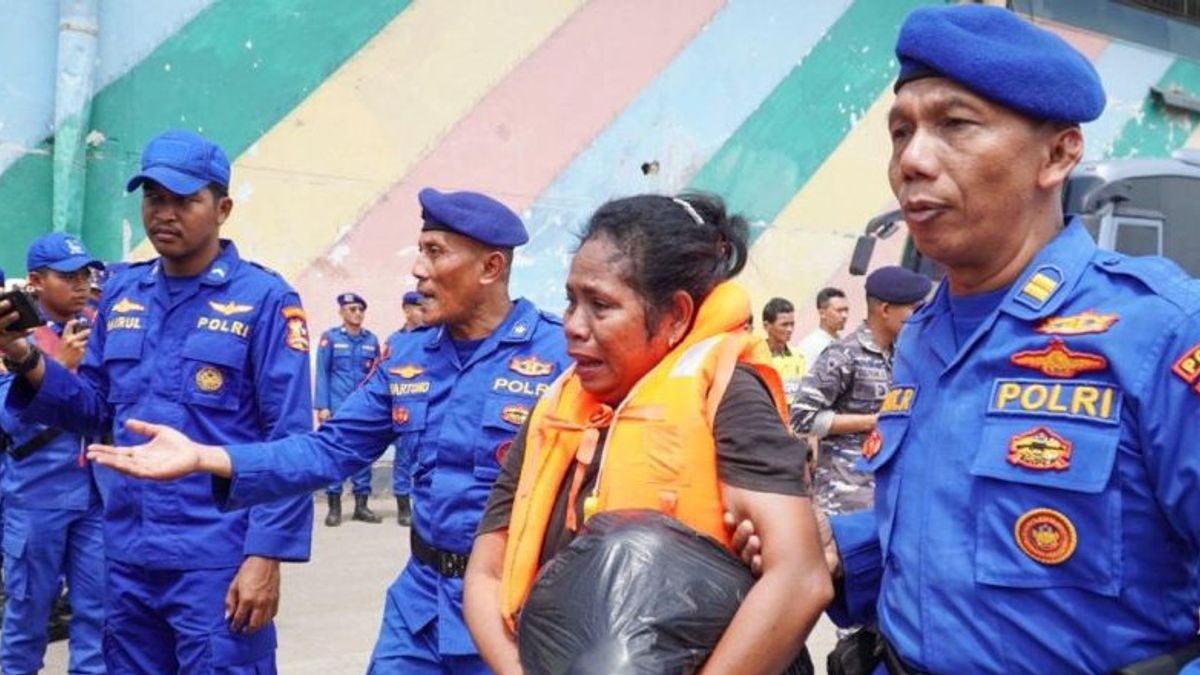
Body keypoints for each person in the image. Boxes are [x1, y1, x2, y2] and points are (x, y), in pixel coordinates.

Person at [810, 6, 1200, 672]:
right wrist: (843, 547)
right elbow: (956, 524)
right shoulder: (923, 334)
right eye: (900, 131)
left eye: (954, 125)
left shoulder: (1159, 328)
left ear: (1056, 155)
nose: (912, 160)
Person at [85, 187, 570, 674]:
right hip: (420, 608)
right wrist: (207, 457)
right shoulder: (407, 357)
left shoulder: (560, 360)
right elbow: (328, 450)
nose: (418, 268)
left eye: (435, 252)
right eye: (421, 250)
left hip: (512, 606)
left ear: (490, 268)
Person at [462, 194, 832, 674]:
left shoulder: (727, 394)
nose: (573, 326)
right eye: (571, 300)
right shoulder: (555, 407)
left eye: (600, 305)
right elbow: (486, 573)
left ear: (676, 316)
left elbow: (801, 579)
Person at [0, 129, 314, 673]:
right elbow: (95, 407)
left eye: (185, 200)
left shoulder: (264, 301)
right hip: (126, 555)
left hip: (216, 560)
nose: (164, 214)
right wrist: (26, 359)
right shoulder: (123, 294)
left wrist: (266, 555)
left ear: (222, 208)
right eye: (153, 199)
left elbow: (289, 440)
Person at [0, 234, 106, 674]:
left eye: (85, 274)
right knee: (28, 619)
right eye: (68, 276)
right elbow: (7, 422)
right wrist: (56, 367)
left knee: (98, 619)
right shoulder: (11, 336)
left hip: (94, 498)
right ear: (36, 282)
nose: (80, 285)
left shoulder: (99, 329)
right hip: (36, 498)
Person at [791, 266, 929, 516]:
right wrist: (873, 421)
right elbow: (802, 417)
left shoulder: (901, 354)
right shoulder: (844, 354)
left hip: (884, 492)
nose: (919, 317)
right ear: (885, 310)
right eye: (913, 309)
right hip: (845, 496)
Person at [316, 292, 382, 526]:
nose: (357, 313)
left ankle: (361, 507)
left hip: (363, 408)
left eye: (360, 309)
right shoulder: (331, 338)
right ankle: (334, 507)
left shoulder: (371, 340)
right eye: (352, 309)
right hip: (337, 407)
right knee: (335, 455)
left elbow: (376, 374)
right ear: (342, 312)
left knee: (363, 456)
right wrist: (323, 406)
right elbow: (322, 372)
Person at [391, 290, 425, 526]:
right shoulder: (395, 341)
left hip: (426, 406)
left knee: (424, 461)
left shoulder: (433, 336)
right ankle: (403, 507)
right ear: (406, 309)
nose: (422, 313)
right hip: (403, 407)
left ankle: (422, 507)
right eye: (417, 308)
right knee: (402, 459)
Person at [762, 297, 806, 406]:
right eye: (784, 324)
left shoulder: (798, 356)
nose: (790, 329)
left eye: (792, 324)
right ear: (767, 326)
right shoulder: (759, 358)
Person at [795, 287, 849, 368]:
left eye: (846, 310)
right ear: (822, 313)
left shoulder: (844, 343)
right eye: (839, 310)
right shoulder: (810, 346)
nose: (844, 315)